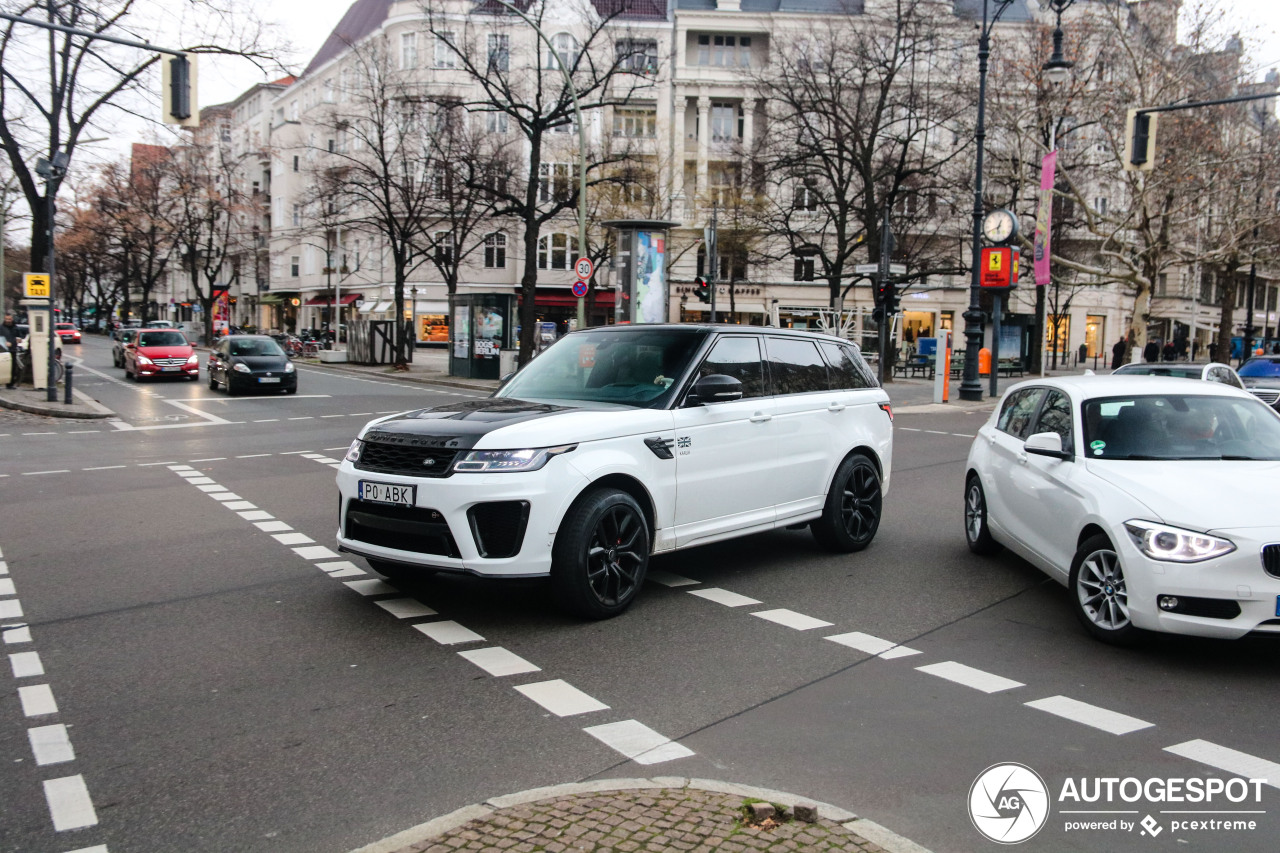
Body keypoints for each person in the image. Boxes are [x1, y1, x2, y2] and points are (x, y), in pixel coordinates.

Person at [1, 313, 19, 389]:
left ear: (12, 319)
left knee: (13, 367)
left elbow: (18, 336)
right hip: (3, 350)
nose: (8, 321)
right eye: (6, 319)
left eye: (9, 319)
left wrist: (19, 339)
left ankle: (10, 384)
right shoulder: (1, 328)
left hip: (13, 349)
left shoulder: (15, 327)